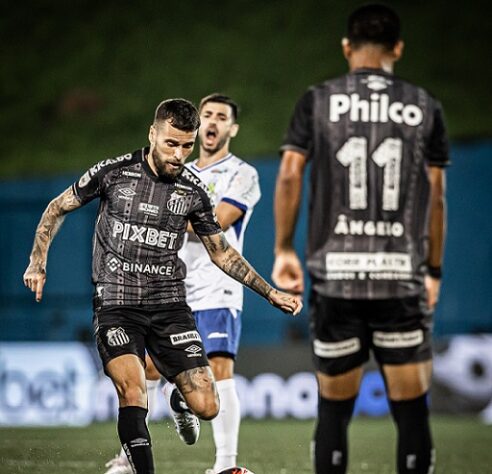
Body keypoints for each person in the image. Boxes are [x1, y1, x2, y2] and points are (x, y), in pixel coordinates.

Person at [23, 98, 302, 474]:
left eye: (187, 146)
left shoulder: (192, 190)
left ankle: (180, 402)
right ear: (152, 133)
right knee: (133, 389)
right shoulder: (114, 172)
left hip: (170, 307)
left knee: (208, 405)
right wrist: (37, 262)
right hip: (117, 303)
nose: (179, 155)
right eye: (171, 144)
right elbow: (57, 207)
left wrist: (270, 293)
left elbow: (222, 253)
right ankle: (135, 466)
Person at [272, 5, 448, 474]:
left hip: (337, 280)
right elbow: (437, 195)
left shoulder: (318, 99)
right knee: (411, 412)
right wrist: (432, 269)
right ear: (398, 49)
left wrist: (284, 248)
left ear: (347, 47)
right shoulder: (424, 105)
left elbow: (290, 172)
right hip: (398, 280)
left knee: (333, 410)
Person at [105, 93, 261, 474]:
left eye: (221, 117)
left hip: (216, 286)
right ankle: (135, 451)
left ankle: (226, 466)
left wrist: (157, 217)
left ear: (232, 128)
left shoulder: (241, 173)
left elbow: (218, 221)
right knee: (144, 371)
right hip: (169, 286)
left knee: (220, 368)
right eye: (207, 114)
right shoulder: (177, 171)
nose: (212, 122)